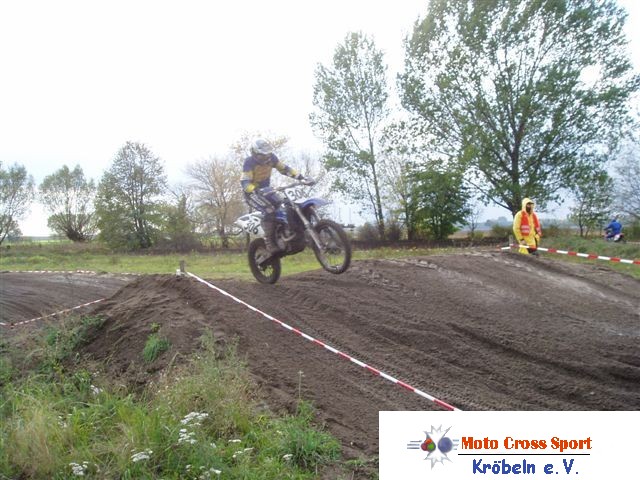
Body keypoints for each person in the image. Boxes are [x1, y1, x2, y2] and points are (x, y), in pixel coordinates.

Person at [241, 138, 311, 255]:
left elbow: (284, 169)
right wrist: (254, 190)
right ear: (255, 154)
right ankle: (270, 243)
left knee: (283, 206)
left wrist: (301, 177)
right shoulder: (249, 162)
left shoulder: (272, 158)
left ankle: (284, 233)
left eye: (267, 154)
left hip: (267, 190)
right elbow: (245, 182)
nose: (266, 157)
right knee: (270, 210)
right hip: (252, 193)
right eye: (262, 155)